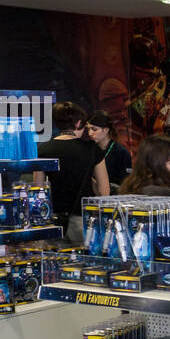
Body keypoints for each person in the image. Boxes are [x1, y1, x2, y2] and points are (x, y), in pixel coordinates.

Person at [38, 102, 110, 243]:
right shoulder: (92, 149)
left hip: (54, 220)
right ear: (78, 123)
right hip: (84, 220)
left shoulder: (43, 150)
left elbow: (39, 188)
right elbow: (104, 191)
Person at [86, 111, 132, 187]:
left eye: (94, 129)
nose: (90, 133)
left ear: (106, 130)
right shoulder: (89, 149)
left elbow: (125, 182)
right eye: (88, 129)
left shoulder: (120, 152)